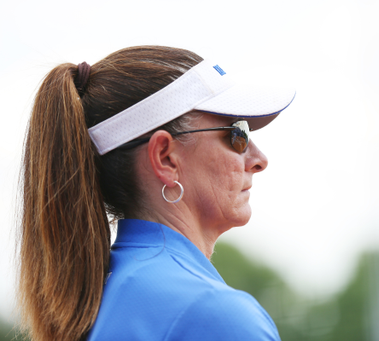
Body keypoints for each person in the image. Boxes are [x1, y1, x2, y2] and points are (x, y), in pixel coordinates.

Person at [17, 46, 295, 341]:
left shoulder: (94, 301)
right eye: (237, 134)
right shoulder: (215, 314)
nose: (259, 159)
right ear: (165, 158)